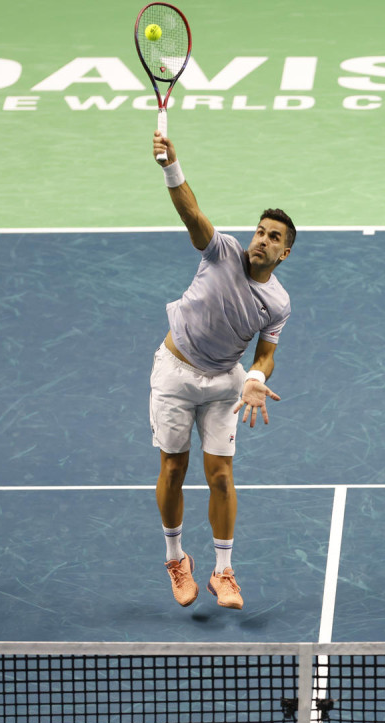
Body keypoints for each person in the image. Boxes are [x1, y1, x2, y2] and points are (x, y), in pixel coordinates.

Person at [148, 130, 295, 611]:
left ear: (284, 253)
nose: (262, 239)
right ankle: (176, 560)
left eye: (273, 237)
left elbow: (267, 353)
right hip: (175, 371)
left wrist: (256, 378)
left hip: (222, 383)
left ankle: (223, 572)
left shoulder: (278, 302)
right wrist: (173, 167)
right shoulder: (221, 250)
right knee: (173, 467)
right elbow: (191, 213)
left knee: (221, 478)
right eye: (260, 230)